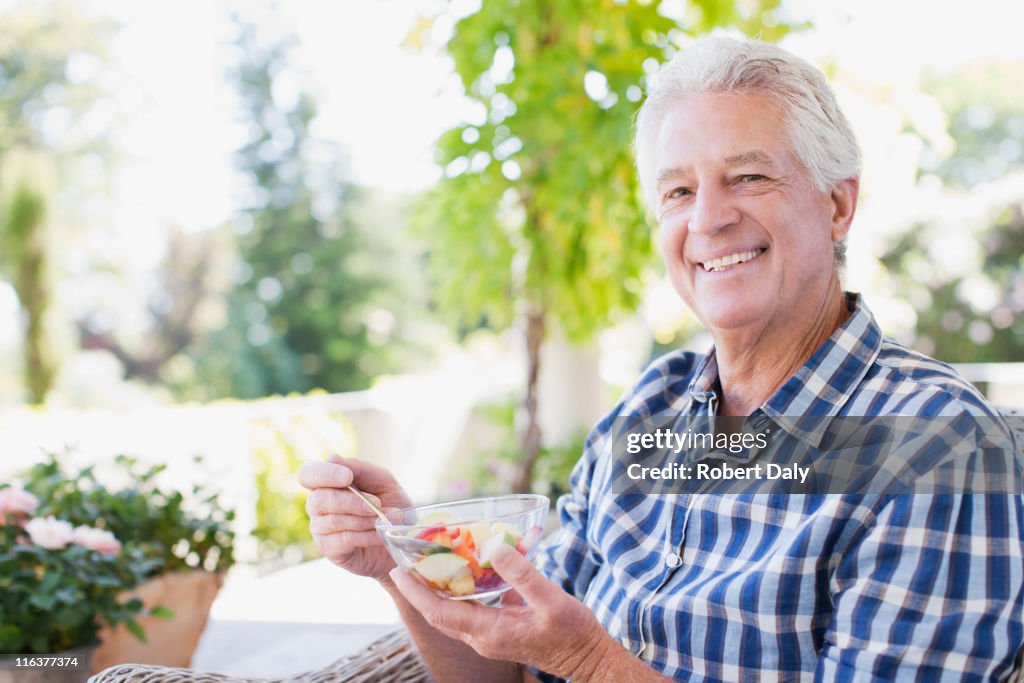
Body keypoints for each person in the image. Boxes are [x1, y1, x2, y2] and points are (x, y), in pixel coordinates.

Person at [299, 37, 1024, 681]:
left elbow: (565, 655)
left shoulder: (937, 446)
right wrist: (409, 564)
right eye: (679, 190)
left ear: (837, 205)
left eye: (747, 177)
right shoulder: (651, 405)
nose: (707, 218)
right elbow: (505, 669)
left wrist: (588, 661)